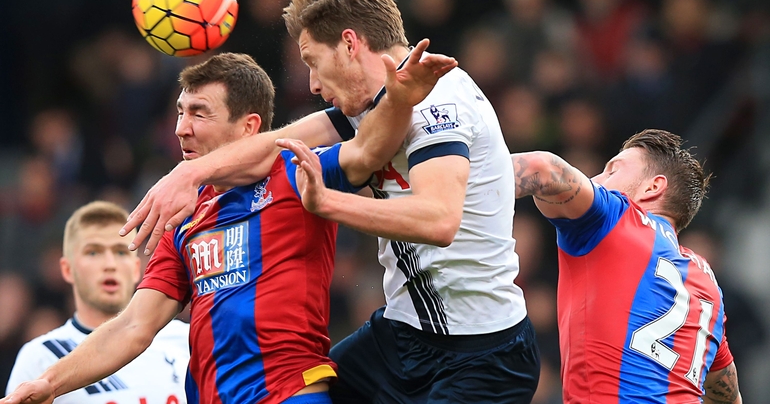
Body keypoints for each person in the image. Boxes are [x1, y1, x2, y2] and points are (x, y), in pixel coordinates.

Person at [120, 0, 540, 404]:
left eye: (313, 62)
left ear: (350, 44)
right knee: (298, 393)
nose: (313, 85)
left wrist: (327, 202)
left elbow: (439, 220)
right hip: (403, 335)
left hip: (481, 353)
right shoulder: (371, 105)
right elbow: (272, 146)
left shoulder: (437, 103)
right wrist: (185, 176)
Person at [1, 46, 456, 404]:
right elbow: (132, 326)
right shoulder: (183, 214)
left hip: (289, 395)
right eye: (180, 112)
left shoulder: (295, 170)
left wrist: (399, 97)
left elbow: (370, 149)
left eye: (199, 112)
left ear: (248, 126)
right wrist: (52, 383)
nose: (181, 128)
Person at [511, 129, 742, 404]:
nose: (594, 180)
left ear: (653, 187)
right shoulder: (708, 284)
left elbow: (543, 169)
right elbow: (728, 392)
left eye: (611, 172)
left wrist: (454, 183)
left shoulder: (619, 218)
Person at [5, 200, 190, 404]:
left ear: (137, 268)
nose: (110, 264)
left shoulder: (183, 338)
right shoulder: (40, 357)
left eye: (121, 252)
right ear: (67, 269)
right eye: (93, 252)